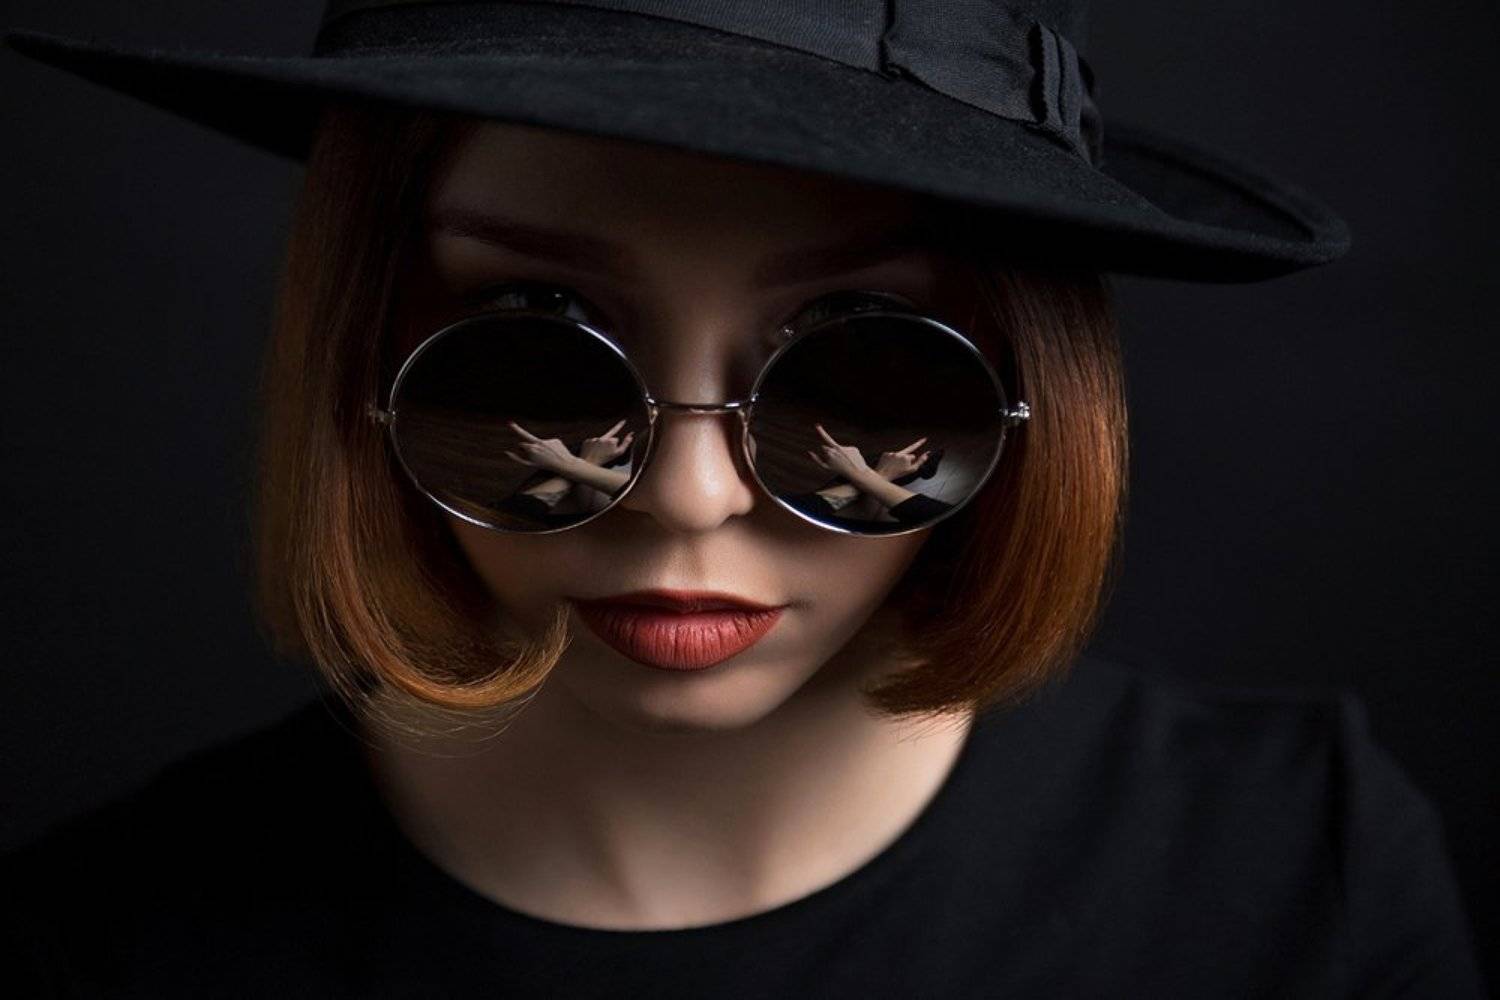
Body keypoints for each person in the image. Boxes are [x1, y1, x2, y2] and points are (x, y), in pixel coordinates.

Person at [1, 2, 1486, 997]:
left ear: (1028, 371)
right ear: (362, 351)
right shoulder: (106, 941)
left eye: (858, 350)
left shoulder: (1297, 874)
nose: (688, 497)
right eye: (534, 334)